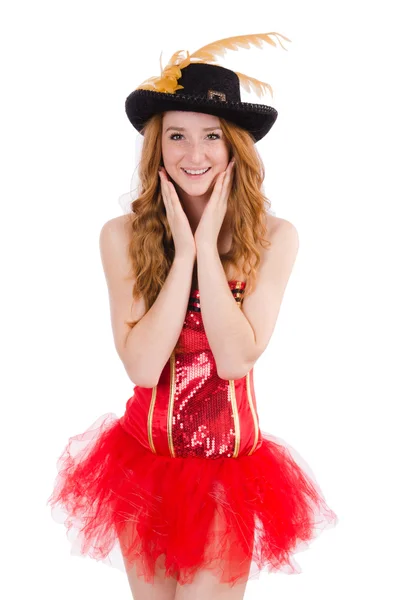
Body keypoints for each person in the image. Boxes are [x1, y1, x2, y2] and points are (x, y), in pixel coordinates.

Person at [47, 32, 338, 600]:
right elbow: (142, 365)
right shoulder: (121, 236)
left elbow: (233, 360)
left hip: (230, 472)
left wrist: (208, 248)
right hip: (143, 462)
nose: (194, 154)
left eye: (211, 137)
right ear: (157, 148)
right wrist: (183, 252)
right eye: (176, 136)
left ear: (235, 148)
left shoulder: (275, 238)